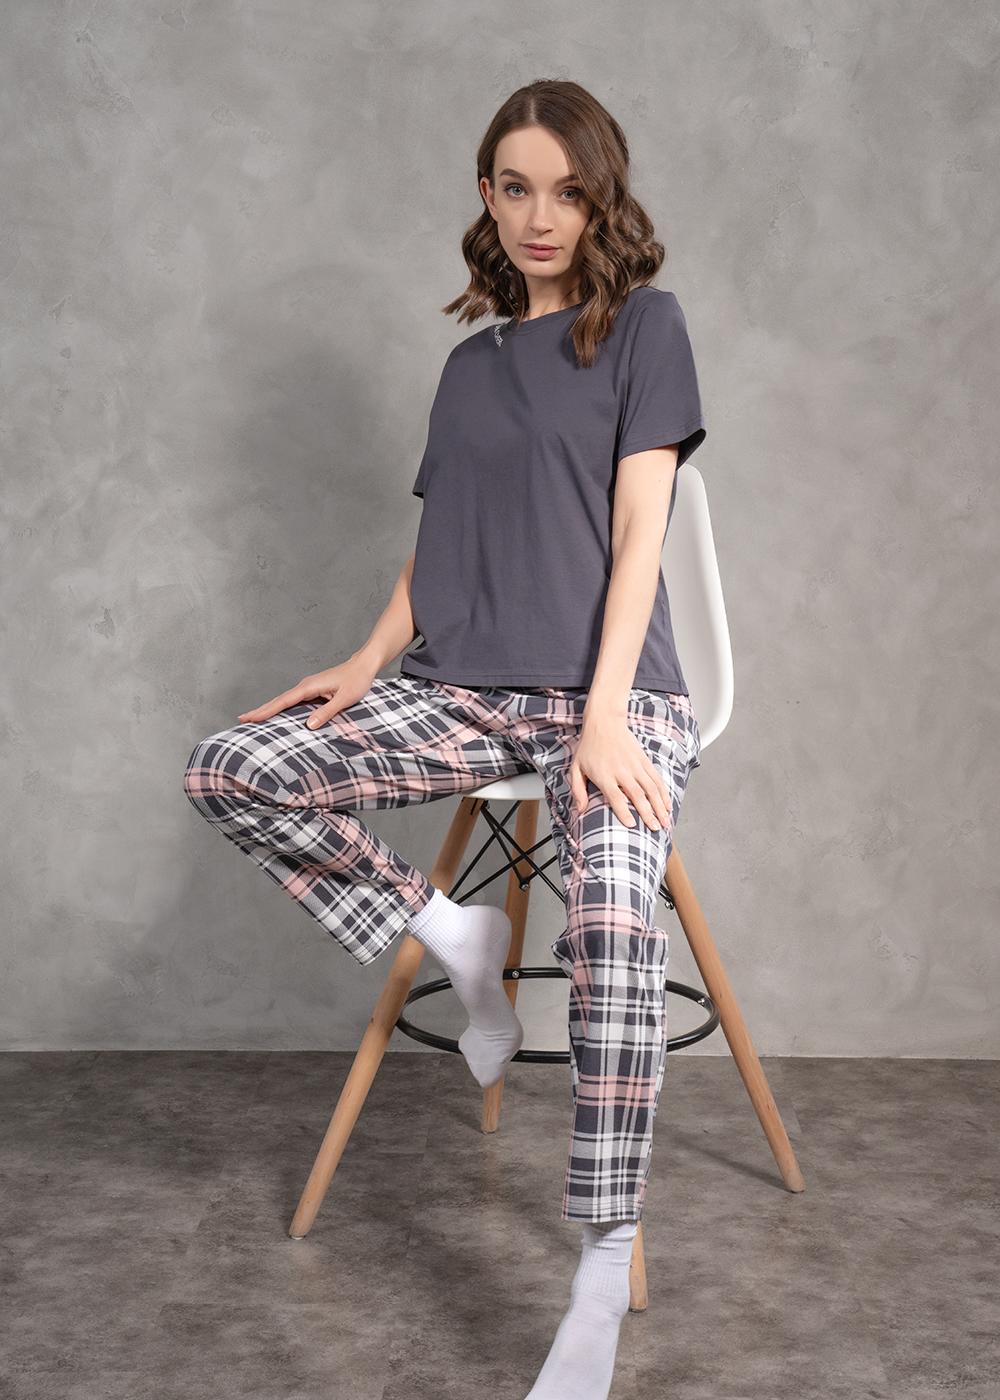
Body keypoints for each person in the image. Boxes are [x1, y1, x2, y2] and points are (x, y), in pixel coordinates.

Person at [184, 77, 706, 1400]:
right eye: (516, 188)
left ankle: (600, 1268)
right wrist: (366, 660)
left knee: (612, 940)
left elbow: (641, 531)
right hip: (464, 689)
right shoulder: (469, 366)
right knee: (232, 767)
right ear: (487, 194)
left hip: (610, 699)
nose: (543, 217)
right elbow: (442, 543)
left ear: (602, 199)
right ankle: (449, 932)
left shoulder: (645, 328)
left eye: (569, 192)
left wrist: (602, 715)